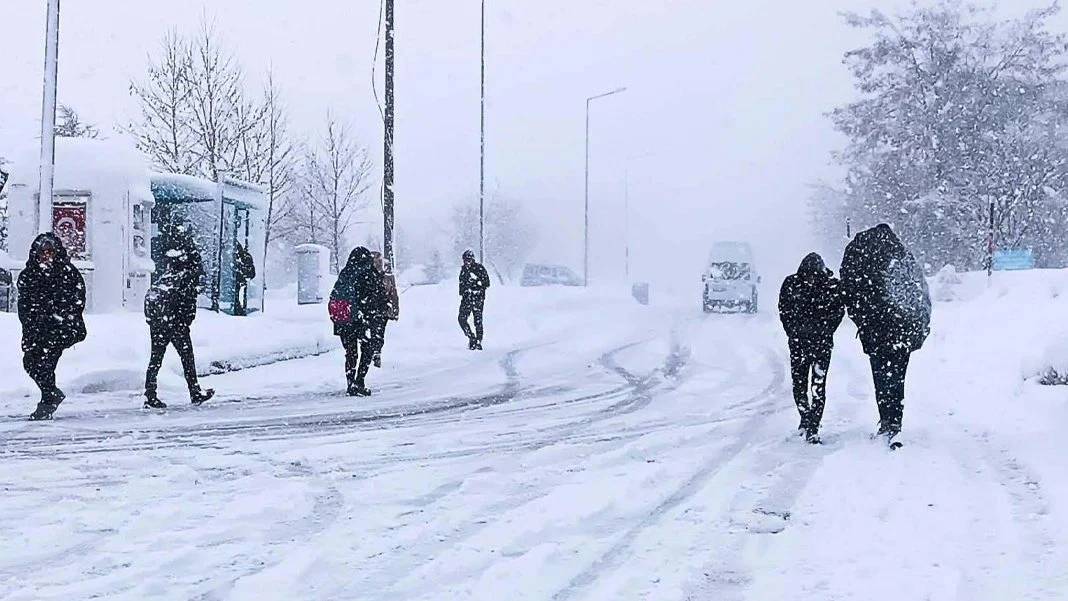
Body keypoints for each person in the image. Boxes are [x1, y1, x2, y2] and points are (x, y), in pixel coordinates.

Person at [840, 223, 931, 448]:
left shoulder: (863, 260)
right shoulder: (902, 258)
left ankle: (886, 419)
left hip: (876, 333)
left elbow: (851, 293)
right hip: (903, 332)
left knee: (881, 377)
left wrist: (863, 321)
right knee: (898, 378)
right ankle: (895, 422)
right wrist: (917, 327)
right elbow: (920, 294)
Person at [17, 233, 87, 420]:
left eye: (49, 251)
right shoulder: (28, 274)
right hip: (37, 330)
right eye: (42, 252)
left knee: (46, 364)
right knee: (30, 363)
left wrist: (63, 318)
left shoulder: (67, 272)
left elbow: (77, 300)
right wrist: (31, 325)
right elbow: (24, 305)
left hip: (61, 329)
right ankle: (51, 394)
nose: (46, 256)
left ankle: (47, 402)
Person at [778, 253, 845, 444]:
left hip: (821, 345)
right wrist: (793, 332)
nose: (811, 280)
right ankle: (805, 417)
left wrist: (825, 331)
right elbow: (784, 310)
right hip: (799, 343)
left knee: (818, 386)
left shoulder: (831, 287)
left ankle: (813, 426)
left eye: (814, 276)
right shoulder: (792, 284)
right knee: (799, 385)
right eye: (808, 275)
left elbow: (839, 312)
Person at [143, 232, 214, 409]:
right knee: (187, 358)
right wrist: (183, 321)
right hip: (176, 325)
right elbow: (185, 302)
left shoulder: (168, 275)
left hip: (159, 323)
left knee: (155, 358)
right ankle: (195, 391)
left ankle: (150, 394)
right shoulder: (187, 276)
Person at [329, 247, 386, 396]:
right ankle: (359, 381)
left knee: (350, 352)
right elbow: (376, 297)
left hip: (344, 319)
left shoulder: (345, 272)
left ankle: (350, 383)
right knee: (367, 349)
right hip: (361, 319)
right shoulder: (368, 273)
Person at [369, 251, 400, 368]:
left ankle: (376, 352)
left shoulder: (387, 277)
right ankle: (374, 352)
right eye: (376, 261)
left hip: (382, 310)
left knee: (379, 332)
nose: (378, 263)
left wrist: (395, 310)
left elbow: (394, 294)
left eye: (379, 261)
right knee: (374, 332)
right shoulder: (368, 276)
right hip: (371, 309)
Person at [458, 250, 491, 350]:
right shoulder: (463, 270)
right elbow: (461, 285)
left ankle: (478, 341)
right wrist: (464, 291)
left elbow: (486, 283)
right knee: (461, 319)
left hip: (477, 298)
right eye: (465, 260)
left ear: (472, 259)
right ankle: (471, 337)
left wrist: (476, 284)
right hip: (466, 299)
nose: (467, 262)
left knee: (478, 321)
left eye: (469, 260)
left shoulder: (479, 268)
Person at [233, 243, 256, 316]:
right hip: (239, 283)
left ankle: (239, 309)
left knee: (238, 296)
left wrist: (243, 276)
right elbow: (252, 273)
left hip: (239, 283)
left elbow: (251, 273)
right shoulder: (245, 256)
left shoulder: (245, 257)